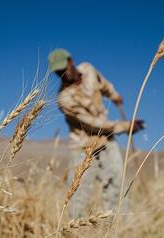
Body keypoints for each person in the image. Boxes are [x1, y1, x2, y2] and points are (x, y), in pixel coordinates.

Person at [48, 49, 144, 217]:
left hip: (106, 140)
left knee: (117, 184)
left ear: (71, 61)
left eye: (63, 68)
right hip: (82, 146)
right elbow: (94, 124)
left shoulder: (88, 69)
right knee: (79, 191)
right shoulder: (64, 99)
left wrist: (114, 96)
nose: (62, 74)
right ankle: (74, 231)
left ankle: (120, 228)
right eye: (58, 72)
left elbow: (104, 84)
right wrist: (125, 126)